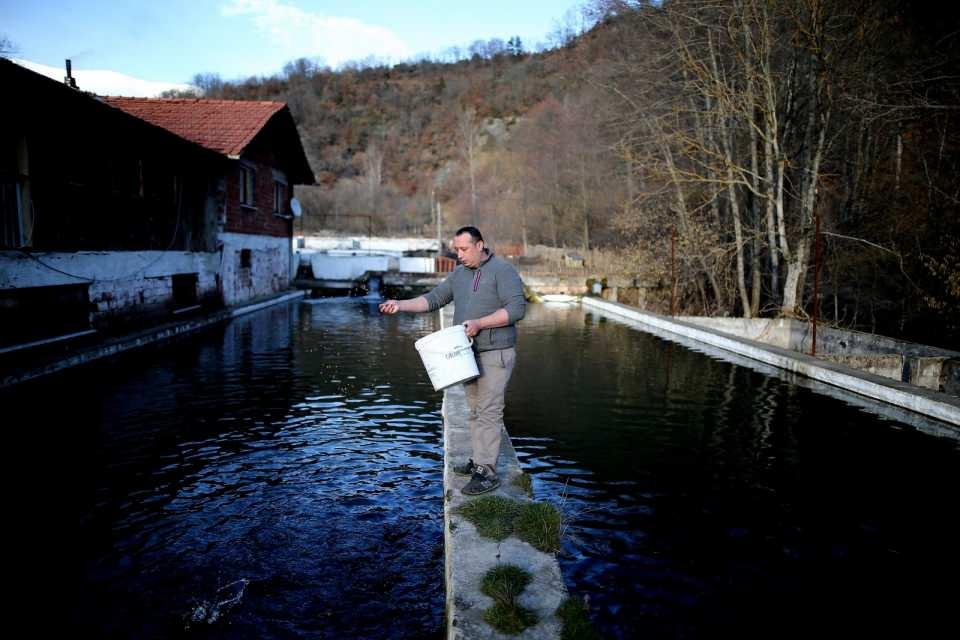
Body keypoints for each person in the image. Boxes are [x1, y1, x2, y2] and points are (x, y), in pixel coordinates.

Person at [379, 226, 526, 495]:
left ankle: (487, 472)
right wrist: (400, 305)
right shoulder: (459, 273)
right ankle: (479, 462)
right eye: (456, 249)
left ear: (480, 245)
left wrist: (480, 323)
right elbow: (433, 300)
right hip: (467, 354)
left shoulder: (503, 271)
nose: (459, 255)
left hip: (497, 352)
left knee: (489, 411)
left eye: (464, 249)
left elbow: (517, 309)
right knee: (473, 410)